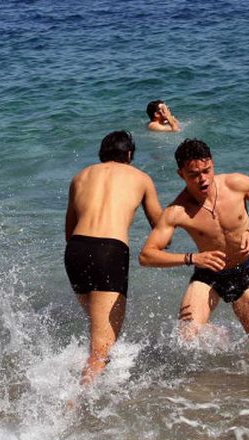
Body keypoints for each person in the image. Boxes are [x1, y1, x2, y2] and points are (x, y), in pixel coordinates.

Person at [139, 139, 249, 354]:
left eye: (206, 171)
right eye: (193, 175)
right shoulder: (177, 211)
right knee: (187, 335)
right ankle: (218, 333)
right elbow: (146, 255)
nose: (202, 179)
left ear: (212, 164)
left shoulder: (236, 184)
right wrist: (192, 258)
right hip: (207, 274)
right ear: (181, 174)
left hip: (242, 272)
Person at [64, 130, 162, 385]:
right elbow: (161, 229)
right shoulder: (141, 177)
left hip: (75, 250)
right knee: (103, 346)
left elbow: (69, 230)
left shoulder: (80, 177)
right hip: (110, 251)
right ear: (129, 154)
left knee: (98, 331)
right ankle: (75, 405)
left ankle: (88, 385)